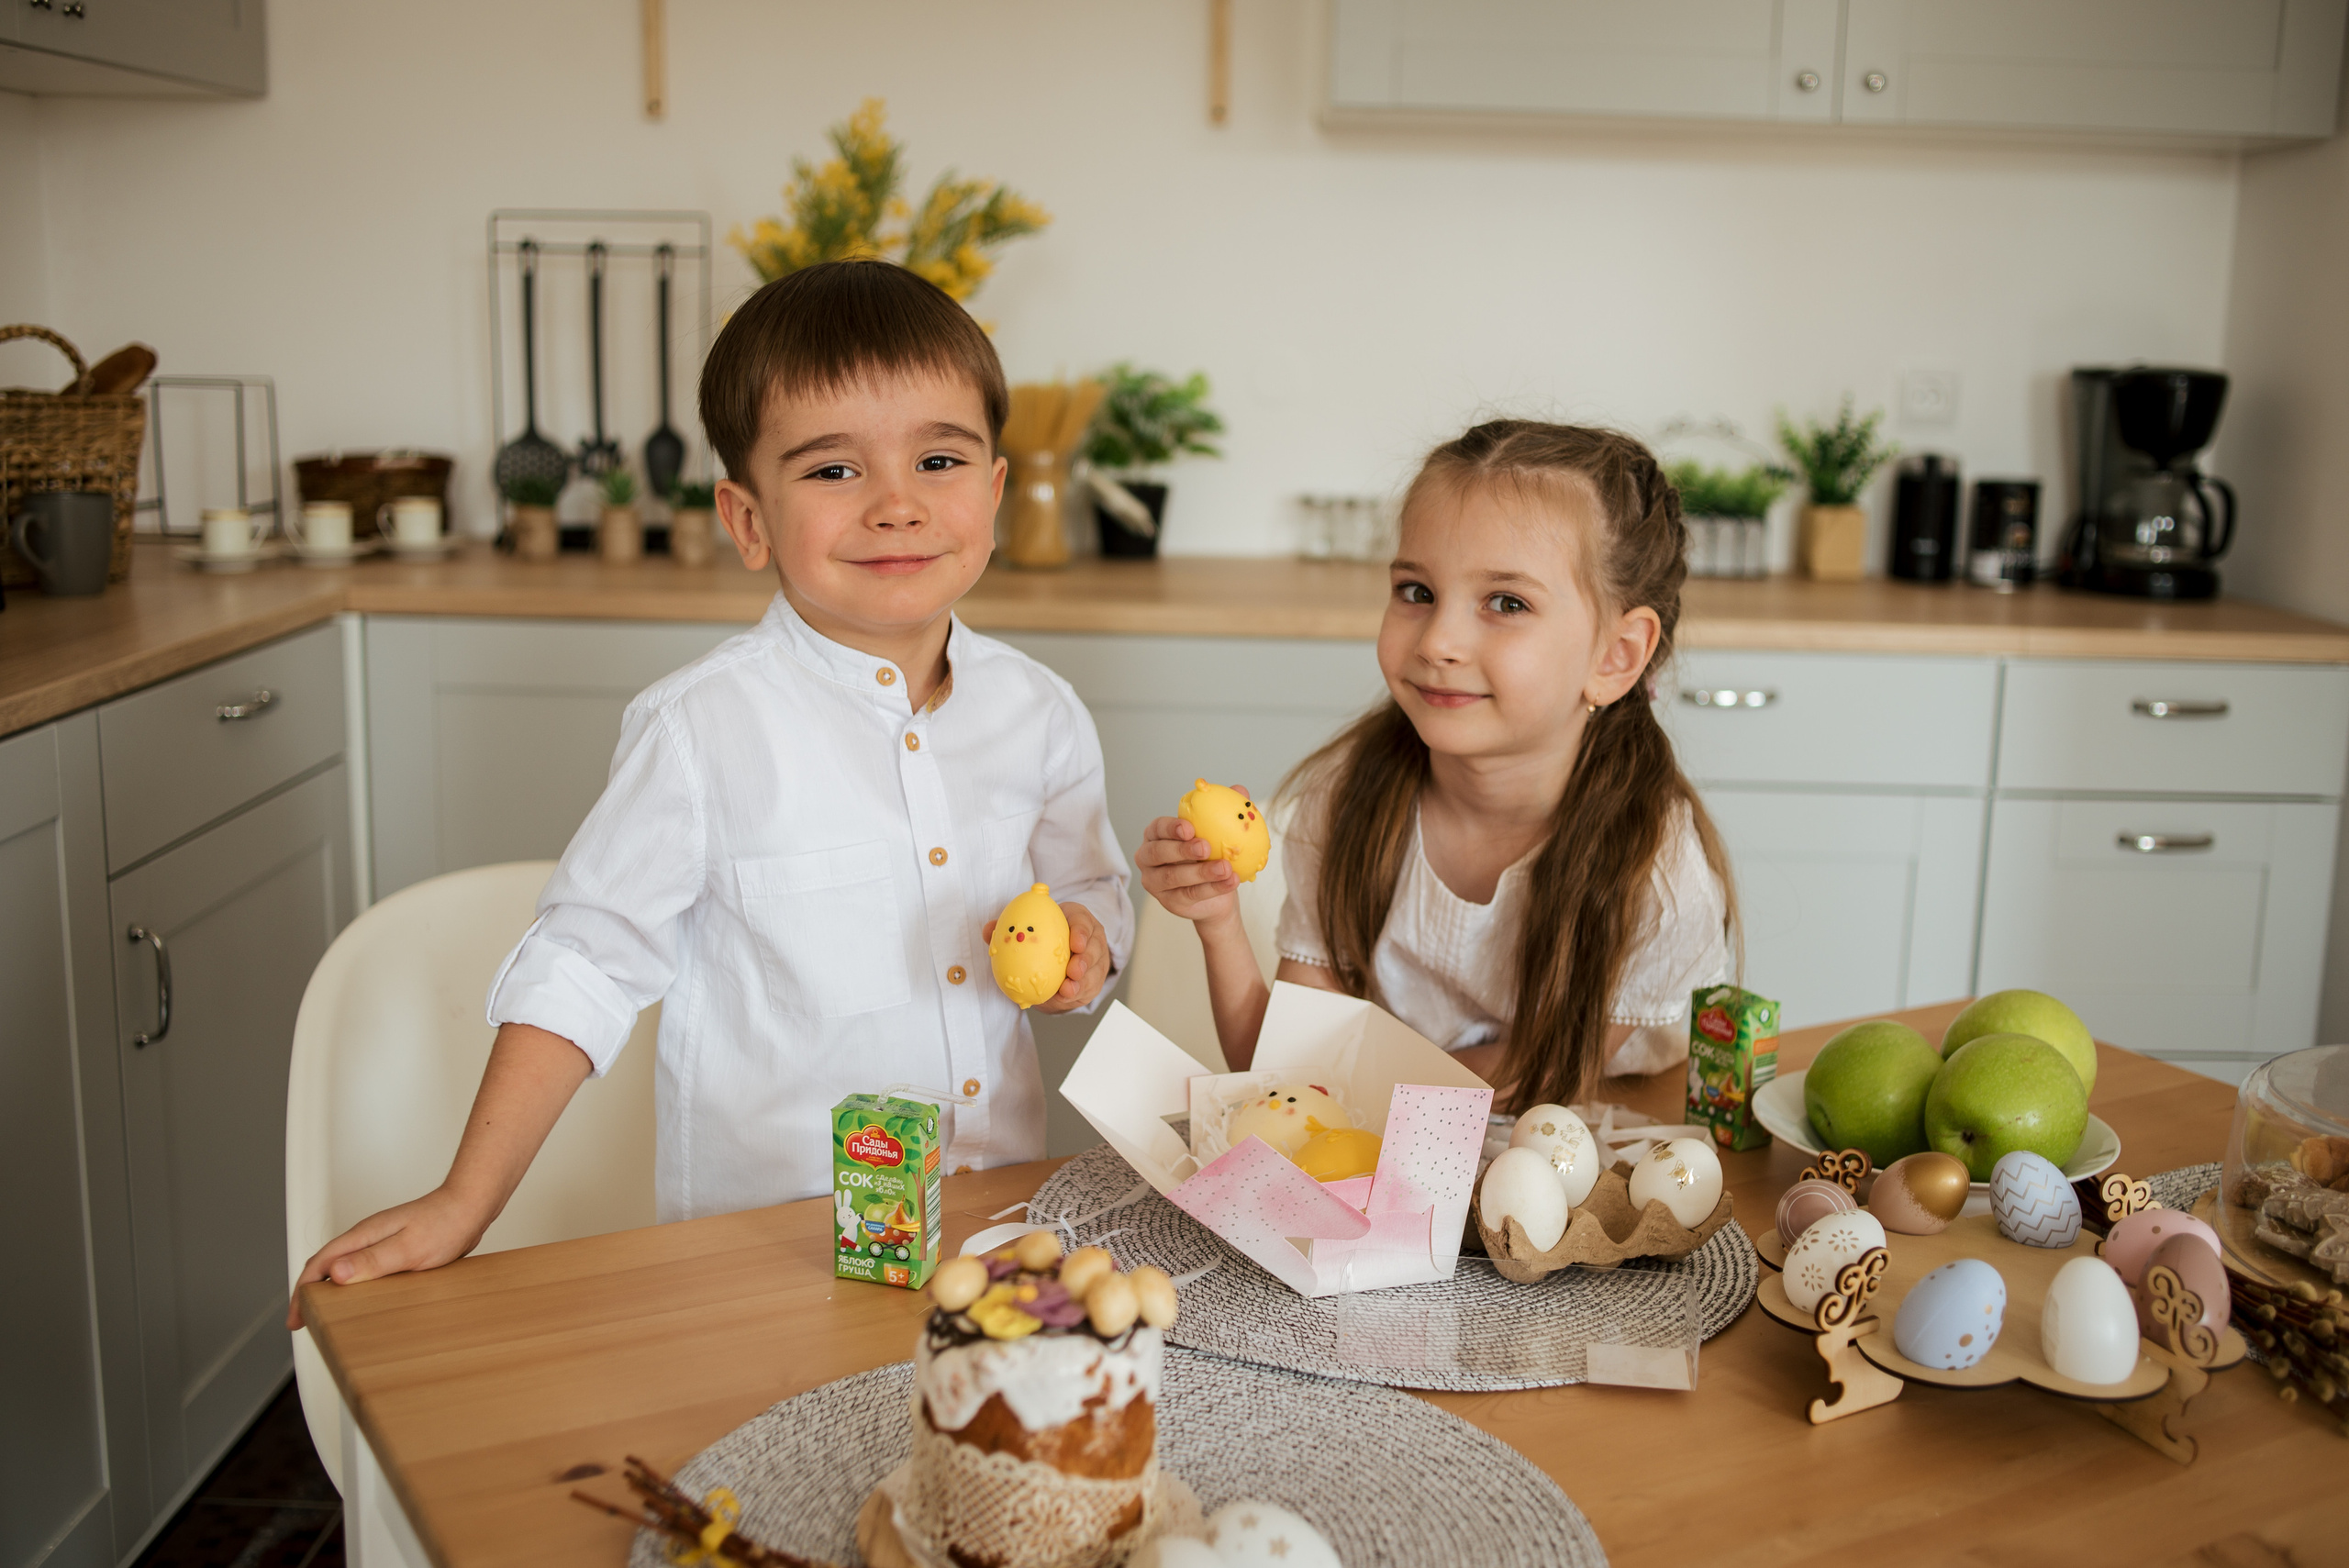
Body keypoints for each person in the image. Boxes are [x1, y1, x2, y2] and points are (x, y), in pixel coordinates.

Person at [290, 261, 1131, 1322]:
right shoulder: (699, 730)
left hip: (994, 1228)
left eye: (937, 458)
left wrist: (1091, 944)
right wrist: (467, 1199)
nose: (897, 503)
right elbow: (585, 962)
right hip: (769, 1255)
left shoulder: (1039, 711)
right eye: (832, 472)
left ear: (995, 494)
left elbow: (1094, 891)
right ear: (747, 519)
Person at [1137, 420, 1733, 1112]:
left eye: (1506, 603)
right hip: (1415, 1123)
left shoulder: (1655, 874)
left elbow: (1530, 1083)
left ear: (1616, 657)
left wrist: (1341, 1081)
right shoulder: (1347, 801)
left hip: (1592, 1115)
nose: (1440, 640)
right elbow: (1285, 1080)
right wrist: (1218, 920)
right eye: (1416, 591)